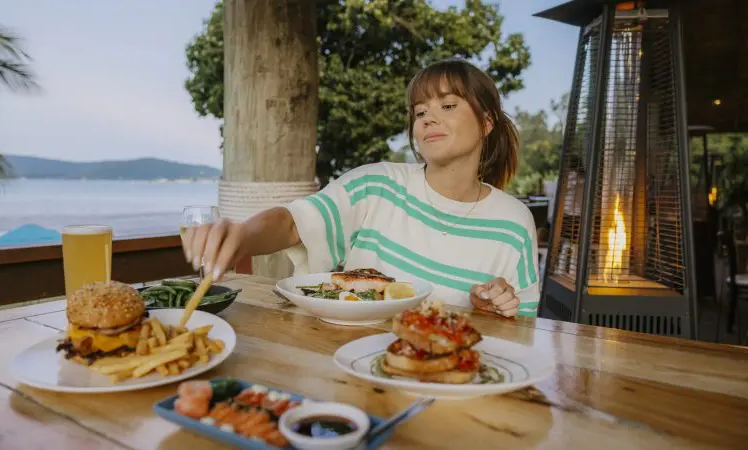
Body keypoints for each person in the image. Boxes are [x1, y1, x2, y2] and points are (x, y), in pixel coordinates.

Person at [183, 58, 540, 318]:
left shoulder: (512, 221)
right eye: (419, 112)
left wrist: (492, 309)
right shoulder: (377, 184)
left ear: (487, 121)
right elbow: (294, 223)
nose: (428, 118)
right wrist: (242, 235)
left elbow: (522, 330)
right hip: (341, 362)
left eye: (448, 106)